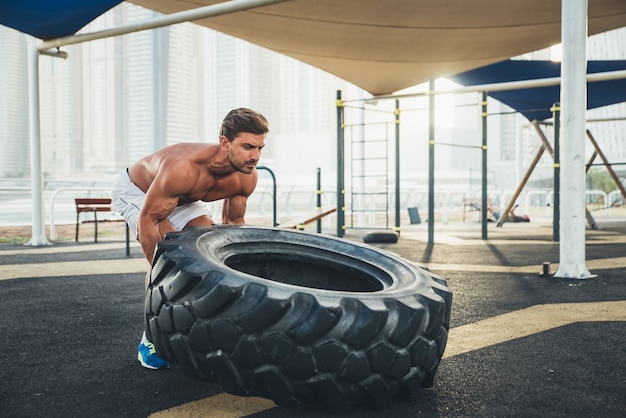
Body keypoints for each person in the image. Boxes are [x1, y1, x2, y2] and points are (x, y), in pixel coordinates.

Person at [111, 108, 269, 369]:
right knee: (170, 258)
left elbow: (233, 226)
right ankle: (151, 337)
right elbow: (149, 219)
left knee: (205, 238)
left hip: (185, 198)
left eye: (260, 147)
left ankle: (201, 326)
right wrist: (164, 272)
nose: (255, 156)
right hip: (138, 191)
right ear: (224, 142)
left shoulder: (246, 176)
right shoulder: (183, 168)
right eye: (248, 146)